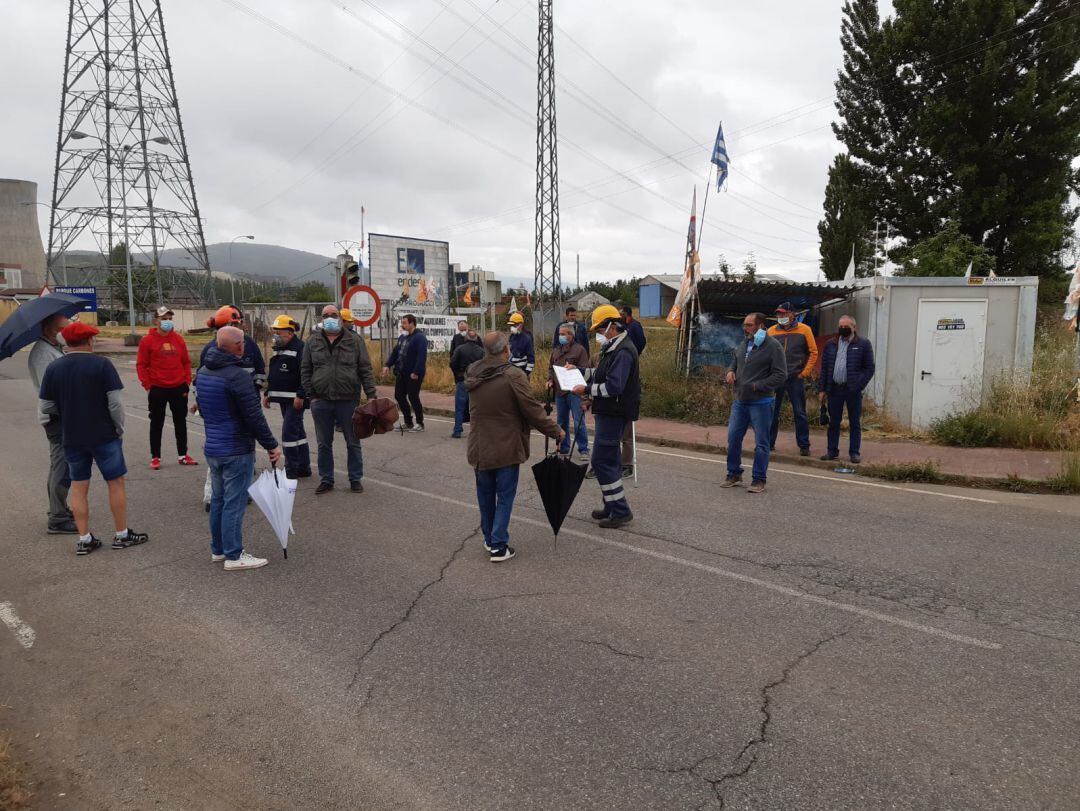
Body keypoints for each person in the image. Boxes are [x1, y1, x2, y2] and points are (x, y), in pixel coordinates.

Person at [38, 322, 149, 556]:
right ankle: (121, 534)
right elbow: (116, 403)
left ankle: (84, 538)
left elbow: (46, 406)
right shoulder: (102, 365)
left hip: (72, 436)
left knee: (79, 486)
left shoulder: (54, 368)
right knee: (115, 482)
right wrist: (118, 428)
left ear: (67, 342)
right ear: (89, 341)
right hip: (103, 435)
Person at [466, 332, 563, 561]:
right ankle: (499, 545)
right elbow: (533, 412)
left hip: (479, 446)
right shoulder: (513, 375)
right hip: (506, 446)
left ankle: (490, 539)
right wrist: (555, 431)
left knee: (485, 496)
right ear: (506, 351)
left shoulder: (473, 372)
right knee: (505, 496)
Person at [196, 325, 282, 571]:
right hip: (236, 448)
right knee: (235, 501)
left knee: (219, 500)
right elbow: (253, 416)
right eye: (242, 343)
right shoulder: (237, 376)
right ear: (235, 346)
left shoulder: (203, 371)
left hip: (213, 446)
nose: (244, 347)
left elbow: (203, 406)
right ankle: (234, 555)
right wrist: (271, 445)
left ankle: (219, 549)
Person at [569, 305, 640, 529]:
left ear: (611, 326)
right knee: (610, 461)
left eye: (600, 329)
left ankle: (620, 510)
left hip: (614, 413)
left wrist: (586, 391)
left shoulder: (624, 351)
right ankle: (611, 506)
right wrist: (578, 371)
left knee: (600, 461)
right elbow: (600, 373)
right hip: (609, 412)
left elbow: (614, 386)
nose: (598, 334)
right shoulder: (614, 348)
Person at [193, 306, 265, 510]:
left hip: (245, 404)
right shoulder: (211, 348)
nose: (237, 327)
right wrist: (201, 402)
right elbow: (202, 379)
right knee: (220, 453)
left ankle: (244, 491)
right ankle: (211, 497)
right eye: (232, 324)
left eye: (237, 323)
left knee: (246, 451)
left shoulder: (249, 344)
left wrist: (255, 391)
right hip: (223, 410)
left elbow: (259, 371)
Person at [303, 304, 378, 493]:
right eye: (325, 315)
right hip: (321, 400)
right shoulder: (312, 342)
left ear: (341, 318)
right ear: (321, 319)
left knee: (353, 441)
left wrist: (371, 395)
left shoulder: (354, 340)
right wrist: (311, 395)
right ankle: (326, 479)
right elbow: (305, 369)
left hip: (348, 399)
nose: (329, 317)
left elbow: (365, 369)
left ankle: (355, 479)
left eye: (333, 315)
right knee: (323, 443)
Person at [721, 313, 787, 493]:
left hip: (762, 402)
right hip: (740, 401)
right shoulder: (745, 343)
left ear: (761, 326)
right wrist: (730, 372)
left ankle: (759, 479)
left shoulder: (773, 346)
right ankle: (734, 473)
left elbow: (781, 374)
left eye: (749, 325)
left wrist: (759, 385)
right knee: (733, 438)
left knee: (762, 443)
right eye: (744, 325)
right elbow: (735, 362)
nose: (745, 328)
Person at [28, 312, 76, 535]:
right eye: (62, 320)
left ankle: (60, 510)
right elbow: (50, 389)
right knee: (61, 465)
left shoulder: (54, 347)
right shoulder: (41, 353)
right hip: (56, 416)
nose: (66, 322)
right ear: (50, 327)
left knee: (62, 463)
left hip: (63, 413)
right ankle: (57, 517)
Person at [137, 305, 196, 470]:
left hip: (178, 387)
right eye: (164, 319)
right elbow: (141, 365)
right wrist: (148, 385)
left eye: (170, 319)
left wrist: (186, 381)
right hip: (157, 388)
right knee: (156, 422)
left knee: (180, 422)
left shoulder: (178, 339)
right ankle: (156, 456)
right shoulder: (147, 341)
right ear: (156, 320)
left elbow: (186, 362)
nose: (167, 322)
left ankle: (183, 455)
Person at [819, 315, 876, 464]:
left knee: (854, 423)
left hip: (853, 390)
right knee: (834, 422)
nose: (843, 329)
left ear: (854, 328)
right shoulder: (830, 344)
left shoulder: (863, 344)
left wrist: (859, 384)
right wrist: (822, 389)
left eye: (846, 326)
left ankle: (854, 453)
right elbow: (824, 368)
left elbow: (869, 368)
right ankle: (832, 451)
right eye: (840, 326)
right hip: (834, 389)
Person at [766, 302, 819, 457]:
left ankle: (804, 445)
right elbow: (765, 353)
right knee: (772, 411)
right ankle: (769, 443)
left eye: (783, 313)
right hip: (776, 378)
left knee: (799, 412)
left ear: (792, 314)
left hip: (795, 377)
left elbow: (813, 352)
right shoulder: (771, 331)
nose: (780, 317)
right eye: (778, 314)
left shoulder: (805, 330)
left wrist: (804, 373)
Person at [263, 315, 312, 478]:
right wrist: (268, 393)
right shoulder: (279, 348)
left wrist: (301, 395)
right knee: (298, 434)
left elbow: (306, 374)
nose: (275, 334)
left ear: (289, 333)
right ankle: (304, 467)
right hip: (284, 398)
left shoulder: (300, 348)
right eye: (274, 331)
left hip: (296, 399)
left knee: (289, 433)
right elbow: (275, 374)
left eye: (278, 331)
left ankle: (291, 470)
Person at [547, 322, 590, 457]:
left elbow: (585, 371)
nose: (560, 337)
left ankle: (583, 449)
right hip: (560, 392)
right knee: (561, 421)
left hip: (574, 392)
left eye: (563, 334)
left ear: (571, 335)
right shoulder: (556, 350)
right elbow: (551, 368)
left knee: (578, 421)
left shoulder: (580, 350)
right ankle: (563, 447)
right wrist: (549, 380)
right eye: (559, 334)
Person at [382, 314, 428, 432]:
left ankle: (420, 423)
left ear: (412, 323)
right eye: (402, 323)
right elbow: (395, 353)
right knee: (399, 396)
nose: (402, 325)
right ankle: (408, 422)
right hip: (401, 372)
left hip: (414, 373)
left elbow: (421, 356)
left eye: (404, 323)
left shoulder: (420, 337)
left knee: (413, 396)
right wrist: (388, 365)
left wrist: (416, 371)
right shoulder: (403, 337)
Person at [619, 305, 646, 474]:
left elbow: (642, 342)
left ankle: (627, 464)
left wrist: (635, 353)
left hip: (631, 359)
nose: (620, 317)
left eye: (622, 314)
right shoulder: (622, 327)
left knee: (627, 434)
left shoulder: (635, 326)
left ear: (628, 315)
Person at [449, 326, 484, 438]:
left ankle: (457, 431)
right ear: (476, 339)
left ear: (466, 338)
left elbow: (452, 363)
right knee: (476, 408)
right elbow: (485, 366)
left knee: (459, 407)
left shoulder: (459, 349)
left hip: (462, 380)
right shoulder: (481, 351)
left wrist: (458, 374)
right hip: (477, 382)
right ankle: (477, 431)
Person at [507, 312, 535, 376]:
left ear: (520, 325)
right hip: (512, 372)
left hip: (522, 372)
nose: (512, 327)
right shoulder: (512, 336)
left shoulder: (527, 339)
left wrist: (526, 373)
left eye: (514, 325)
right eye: (511, 325)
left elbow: (531, 359)